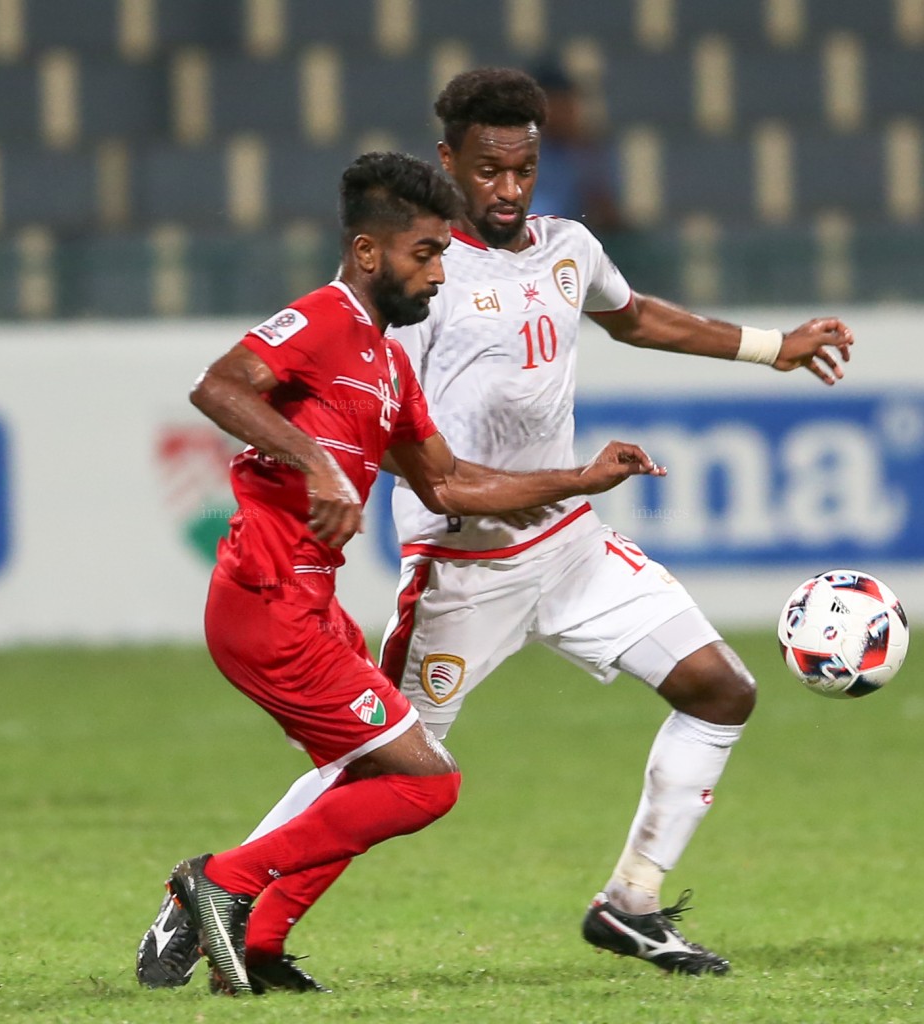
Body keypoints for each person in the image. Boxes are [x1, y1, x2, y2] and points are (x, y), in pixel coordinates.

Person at [134, 150, 663, 996]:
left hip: (309, 610)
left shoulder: (388, 363)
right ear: (369, 252)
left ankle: (254, 941)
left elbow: (449, 483)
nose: (439, 273)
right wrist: (319, 466)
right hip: (266, 603)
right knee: (427, 785)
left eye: (444, 255)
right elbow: (220, 388)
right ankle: (220, 882)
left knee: (367, 778)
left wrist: (576, 480)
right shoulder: (319, 321)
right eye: (426, 254)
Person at [526, 62, 623, 232]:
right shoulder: (518, 152)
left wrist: (587, 159)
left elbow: (607, 215)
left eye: (569, 104)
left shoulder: (588, 151)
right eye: (557, 105)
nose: (567, 113)